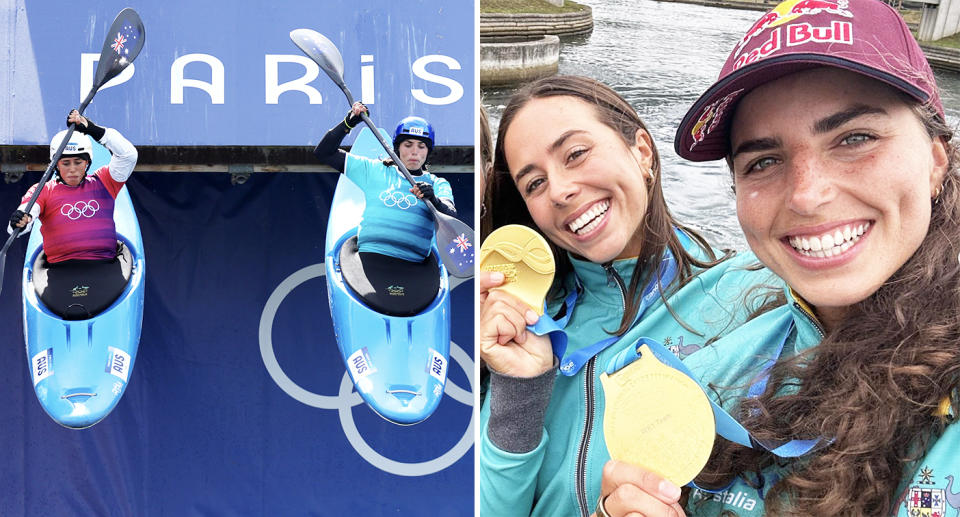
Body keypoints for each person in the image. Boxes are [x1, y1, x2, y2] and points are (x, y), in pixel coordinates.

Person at [594, 0, 960, 515]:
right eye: (764, 160)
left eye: (855, 138)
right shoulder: (710, 380)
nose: (806, 196)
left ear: (935, 159)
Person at [478, 75, 779, 517]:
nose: (560, 190)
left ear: (641, 151)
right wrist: (519, 390)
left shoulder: (755, 295)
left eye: (576, 154)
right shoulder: (528, 320)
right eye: (535, 184)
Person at [8, 110, 138, 319]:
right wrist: (21, 220)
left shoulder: (105, 181)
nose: (72, 170)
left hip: (105, 266)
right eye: (65, 163)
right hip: (60, 271)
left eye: (78, 162)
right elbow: (26, 214)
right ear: (55, 165)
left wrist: (94, 131)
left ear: (87, 163)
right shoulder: (43, 190)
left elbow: (129, 155)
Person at [313, 102, 457, 263]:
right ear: (397, 148)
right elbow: (324, 153)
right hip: (370, 257)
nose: (414, 151)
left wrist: (434, 200)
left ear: (428, 151)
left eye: (421, 146)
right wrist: (348, 123)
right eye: (408, 145)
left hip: (414, 264)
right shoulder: (375, 170)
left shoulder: (438, 184)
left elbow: (451, 218)